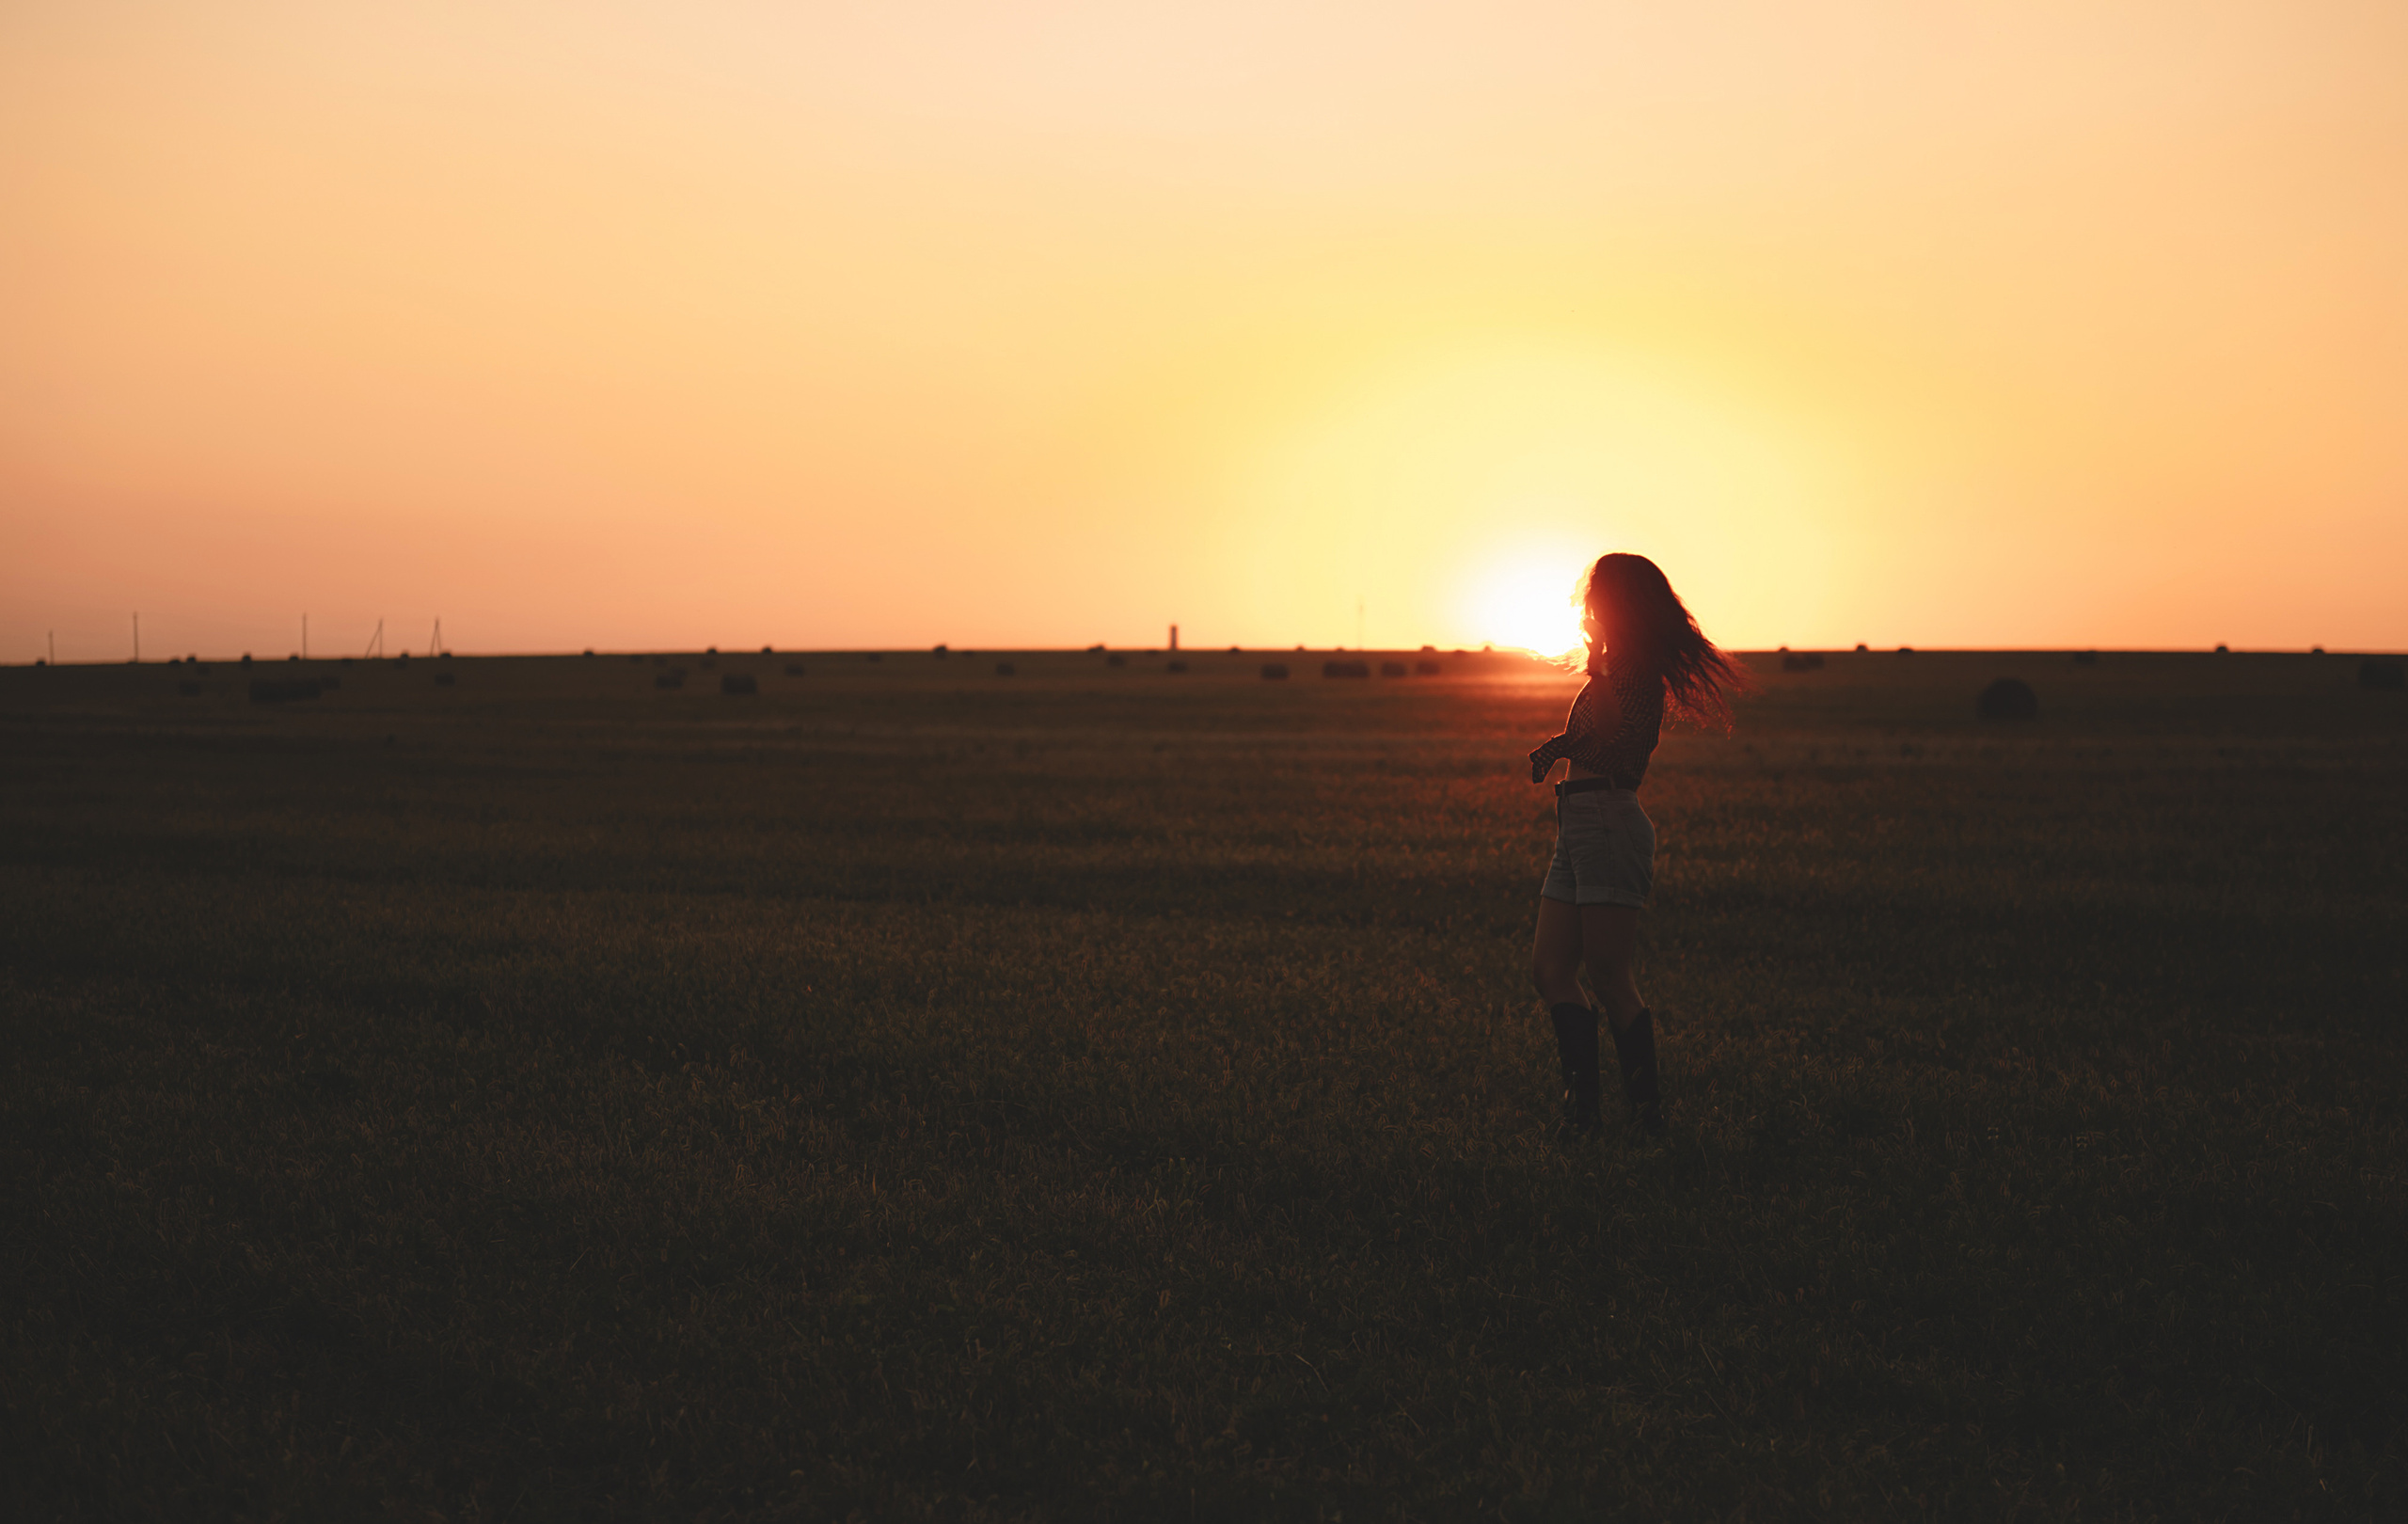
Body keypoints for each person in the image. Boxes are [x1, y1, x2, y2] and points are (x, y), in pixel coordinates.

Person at [1528, 553, 1745, 1137]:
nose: (1588, 603)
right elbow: (1585, 738)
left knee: (1608, 974)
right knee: (1550, 968)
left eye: (1598, 594)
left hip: (1608, 819)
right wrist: (1554, 749)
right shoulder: (1617, 665)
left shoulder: (1634, 671)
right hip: (1577, 823)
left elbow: (1610, 740)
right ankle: (1584, 1110)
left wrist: (1596, 673)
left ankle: (1647, 1117)